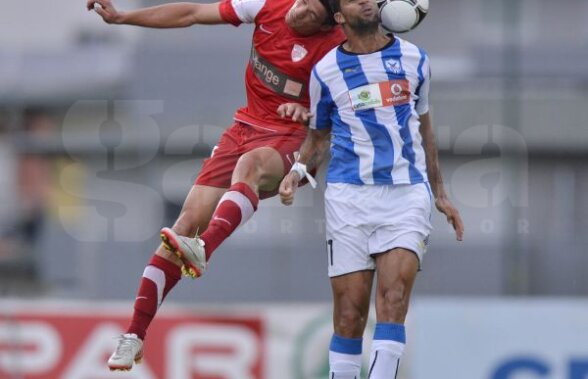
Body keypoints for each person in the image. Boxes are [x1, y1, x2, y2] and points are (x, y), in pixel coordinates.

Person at [88, 0, 345, 371]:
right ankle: (134, 336)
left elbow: (343, 114)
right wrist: (123, 18)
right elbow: (191, 14)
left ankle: (204, 248)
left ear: (328, 22)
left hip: (290, 140)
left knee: (250, 166)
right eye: (302, 1)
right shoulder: (268, 7)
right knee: (182, 226)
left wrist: (310, 114)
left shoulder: (336, 49)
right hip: (244, 128)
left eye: (311, 12)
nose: (299, 11)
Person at [277, 0, 464, 376]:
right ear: (339, 16)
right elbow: (318, 136)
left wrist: (440, 192)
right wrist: (296, 171)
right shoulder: (325, 71)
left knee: (393, 300)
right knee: (349, 315)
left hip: (405, 193)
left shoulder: (415, 60)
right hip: (348, 198)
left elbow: (425, 129)